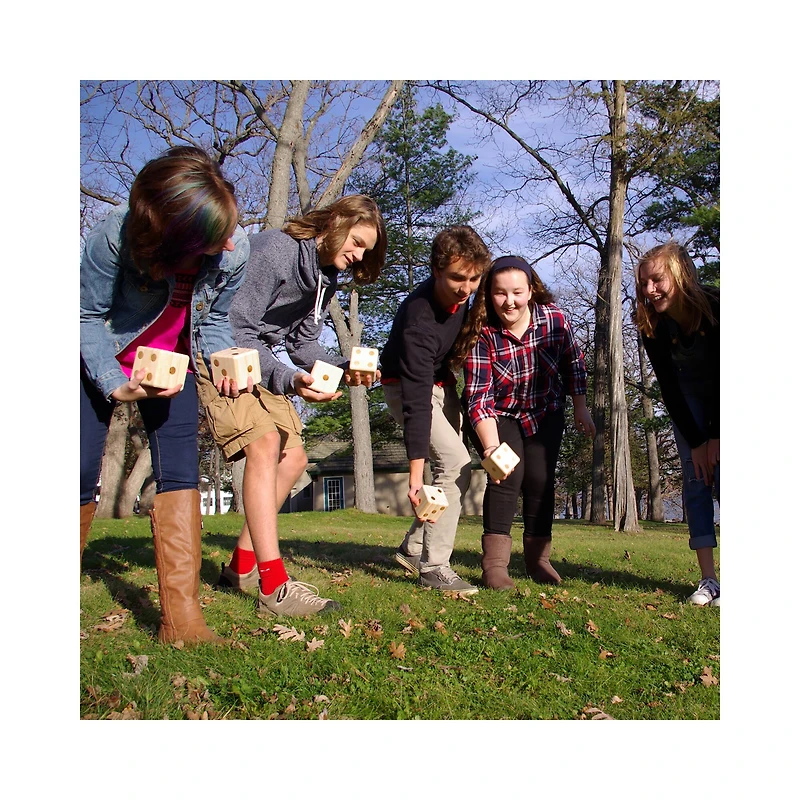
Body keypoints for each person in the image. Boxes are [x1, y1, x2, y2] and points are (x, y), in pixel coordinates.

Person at [80, 145, 324, 645]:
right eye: (216, 238)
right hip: (104, 357)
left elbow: (213, 322)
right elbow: (84, 316)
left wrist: (219, 360)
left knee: (181, 475)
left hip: (177, 365)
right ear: (173, 236)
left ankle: (182, 621)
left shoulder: (231, 250)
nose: (232, 245)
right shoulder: (114, 237)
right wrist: (114, 381)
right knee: (80, 473)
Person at [219, 195, 387, 604]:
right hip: (223, 355)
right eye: (358, 242)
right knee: (264, 445)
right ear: (335, 223)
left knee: (293, 460)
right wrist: (289, 378)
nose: (360, 255)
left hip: (262, 361)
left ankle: (240, 566)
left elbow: (303, 343)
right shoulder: (275, 250)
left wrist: (344, 367)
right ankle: (274, 584)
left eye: (367, 249)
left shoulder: (323, 276)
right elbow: (235, 326)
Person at [463, 256, 595, 590]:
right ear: (489, 294)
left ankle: (538, 560)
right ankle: (494, 565)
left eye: (517, 292)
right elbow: (478, 394)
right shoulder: (482, 330)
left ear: (531, 290)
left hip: (544, 411)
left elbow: (574, 364)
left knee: (540, 478)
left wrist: (581, 407)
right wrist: (491, 446)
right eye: (500, 293)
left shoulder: (554, 319)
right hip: (499, 415)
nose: (509, 301)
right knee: (507, 475)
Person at [380, 226, 492, 595]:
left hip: (443, 385)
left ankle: (413, 549)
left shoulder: (469, 296)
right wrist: (415, 478)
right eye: (458, 278)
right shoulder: (419, 321)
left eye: (474, 278)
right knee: (455, 463)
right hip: (408, 391)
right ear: (436, 270)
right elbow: (415, 406)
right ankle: (434, 567)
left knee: (456, 472)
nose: (467, 287)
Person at [635, 242, 720, 606]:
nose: (649, 291)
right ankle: (709, 580)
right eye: (643, 284)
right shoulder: (652, 325)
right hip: (687, 404)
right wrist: (698, 440)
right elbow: (669, 388)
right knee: (695, 480)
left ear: (681, 274)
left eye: (656, 280)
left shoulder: (718, 308)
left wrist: (716, 434)